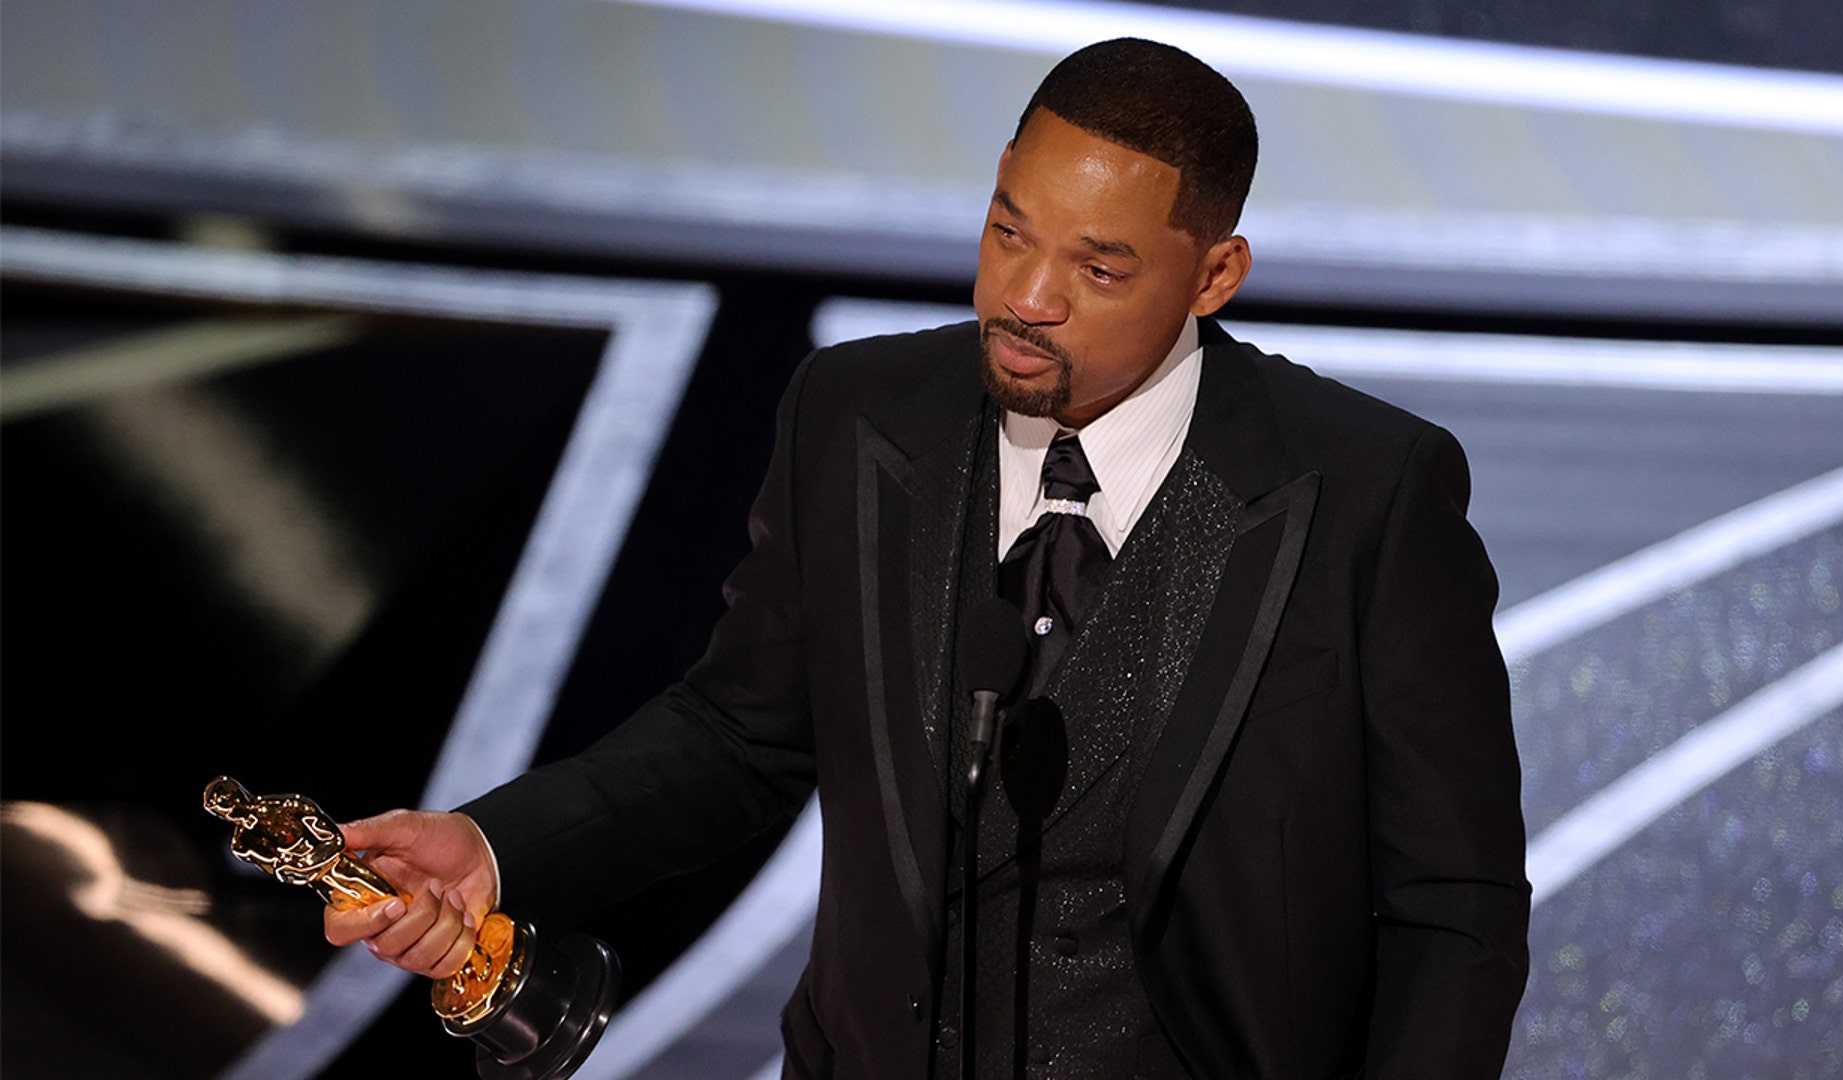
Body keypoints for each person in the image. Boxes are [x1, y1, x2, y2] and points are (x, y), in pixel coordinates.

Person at [325, 38, 1530, 1078]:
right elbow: (742, 733)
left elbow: (1451, 903)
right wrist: (495, 843)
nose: (1028, 295)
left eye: (1098, 267)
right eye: (1009, 232)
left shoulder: (1366, 492)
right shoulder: (859, 414)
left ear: (1214, 276)